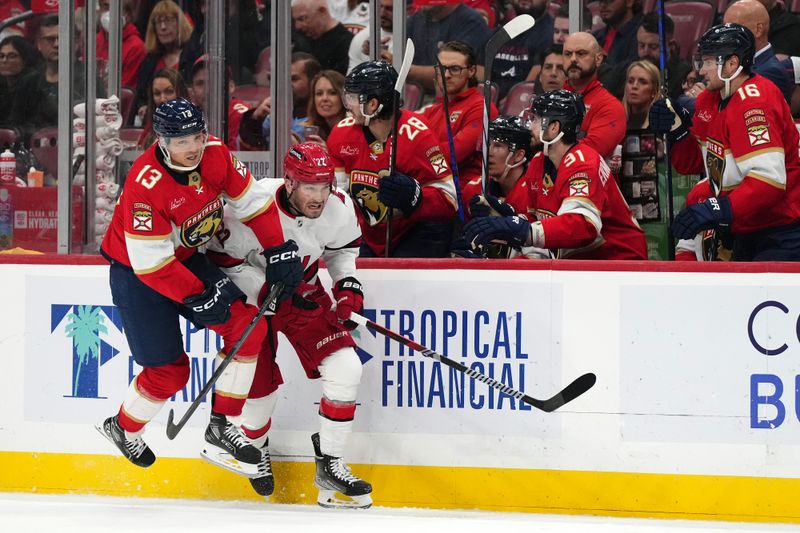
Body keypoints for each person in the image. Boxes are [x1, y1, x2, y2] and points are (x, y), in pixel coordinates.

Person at [96, 98, 304, 474]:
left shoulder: (215, 153)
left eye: (197, 136)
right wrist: (200, 295)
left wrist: (279, 250)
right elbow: (152, 266)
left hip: (185, 257)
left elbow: (254, 202)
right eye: (180, 140)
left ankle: (221, 425)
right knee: (170, 374)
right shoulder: (146, 184)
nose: (192, 147)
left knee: (246, 324)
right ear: (161, 141)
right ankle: (123, 428)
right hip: (139, 275)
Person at [206, 143, 371, 508]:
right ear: (291, 182)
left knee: (347, 368)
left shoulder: (339, 207)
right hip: (251, 301)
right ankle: (256, 446)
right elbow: (220, 258)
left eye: (325, 186)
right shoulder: (250, 205)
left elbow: (343, 250)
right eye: (310, 187)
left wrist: (347, 286)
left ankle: (330, 463)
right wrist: (263, 288)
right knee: (260, 392)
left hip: (303, 294)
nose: (319, 196)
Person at [651, 23, 800, 260]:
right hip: (744, 228)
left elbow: (769, 181)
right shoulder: (709, 100)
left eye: (709, 62)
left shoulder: (756, 102)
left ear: (732, 63)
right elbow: (694, 164)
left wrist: (718, 209)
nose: (701, 71)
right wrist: (676, 131)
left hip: (781, 232)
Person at [464, 90, 647, 260]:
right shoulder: (538, 162)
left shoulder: (583, 162)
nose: (529, 126)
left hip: (621, 259)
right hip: (583, 263)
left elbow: (582, 226)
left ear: (553, 128)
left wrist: (522, 229)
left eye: (535, 119)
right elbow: (537, 221)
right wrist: (506, 219)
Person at [327, 60, 458, 257]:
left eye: (353, 98)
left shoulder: (419, 135)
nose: (348, 106)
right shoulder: (341, 134)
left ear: (372, 104)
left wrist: (415, 196)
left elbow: (450, 200)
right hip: (366, 232)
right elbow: (337, 195)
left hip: (415, 231)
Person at [420, 41, 497, 198]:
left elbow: (450, 157)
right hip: (431, 187)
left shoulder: (481, 108)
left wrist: (416, 161)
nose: (446, 75)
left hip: (462, 196)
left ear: (472, 71)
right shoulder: (432, 110)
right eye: (441, 68)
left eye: (454, 69)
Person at [562, 32, 627, 162]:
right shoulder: (550, 102)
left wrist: (545, 148)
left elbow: (589, 153)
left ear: (598, 59)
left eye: (581, 53)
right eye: (568, 54)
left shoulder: (610, 106)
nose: (573, 59)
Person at [404, 3, 490, 93]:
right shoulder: (415, 20)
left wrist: (405, 70)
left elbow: (452, 74)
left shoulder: (471, 23)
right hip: (412, 97)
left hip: (449, 99)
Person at [462, 115, 532, 221]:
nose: (488, 152)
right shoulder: (474, 188)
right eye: (488, 144)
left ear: (519, 155)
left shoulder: (533, 193)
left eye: (498, 146)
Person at [133, 0, 194, 121]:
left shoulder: (192, 56)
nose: (163, 27)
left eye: (168, 20)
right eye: (158, 22)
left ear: (180, 24)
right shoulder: (150, 60)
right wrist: (142, 106)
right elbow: (140, 95)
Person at [724, 0, 793, 104]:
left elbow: (740, 112)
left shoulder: (772, 72)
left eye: (733, 28)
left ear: (758, 30)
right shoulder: (731, 61)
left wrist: (705, 98)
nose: (725, 36)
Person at [490, 0, 555, 101]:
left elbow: (531, 84)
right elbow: (481, 75)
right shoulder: (497, 33)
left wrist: (510, 102)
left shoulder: (552, 34)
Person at [189, 55, 251, 150]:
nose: (207, 90)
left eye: (214, 82)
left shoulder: (243, 116)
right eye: (200, 83)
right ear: (192, 91)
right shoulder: (190, 118)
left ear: (231, 86)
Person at [292, 0, 354, 75]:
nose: (297, 26)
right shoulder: (301, 40)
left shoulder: (346, 44)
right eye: (295, 20)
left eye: (302, 19)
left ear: (322, 11)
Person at [96, 0, 146, 91]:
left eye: (116, 8)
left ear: (128, 14)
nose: (109, 13)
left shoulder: (136, 47)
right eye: (106, 7)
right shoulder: (95, 42)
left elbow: (124, 91)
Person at [137, 68, 189, 149]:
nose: (162, 99)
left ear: (180, 93)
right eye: (157, 93)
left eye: (169, 91)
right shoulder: (150, 128)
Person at [0, 35, 41, 129]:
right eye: (1, 56)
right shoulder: (2, 87)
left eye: (12, 56)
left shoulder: (33, 84)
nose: (4, 60)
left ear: (25, 59)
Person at [592, 0, 642, 67]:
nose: (603, 5)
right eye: (600, 1)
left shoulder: (641, 35)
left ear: (629, 2)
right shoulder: (596, 37)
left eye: (610, 1)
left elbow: (630, 71)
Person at [347, 0, 393, 73]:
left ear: (408, 9)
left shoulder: (413, 34)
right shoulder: (362, 37)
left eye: (389, 9)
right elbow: (353, 79)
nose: (382, 13)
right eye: (380, 6)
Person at [303, 70, 347, 143]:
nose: (324, 98)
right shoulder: (311, 130)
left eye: (332, 93)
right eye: (319, 93)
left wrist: (327, 153)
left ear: (344, 97)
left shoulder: (355, 131)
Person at [622, 60, 661, 129]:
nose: (634, 86)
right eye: (630, 81)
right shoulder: (614, 120)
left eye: (643, 82)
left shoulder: (663, 123)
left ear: (654, 91)